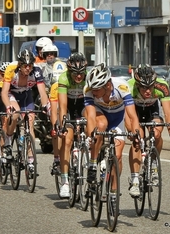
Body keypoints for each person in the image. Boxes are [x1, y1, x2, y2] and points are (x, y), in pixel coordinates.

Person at [84, 63, 141, 198]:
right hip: (100, 114)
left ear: (107, 85)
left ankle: (114, 191)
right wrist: (91, 135)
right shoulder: (88, 89)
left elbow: (132, 116)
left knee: (118, 155)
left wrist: (137, 134)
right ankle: (92, 164)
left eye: (97, 89)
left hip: (117, 118)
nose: (94, 92)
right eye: (92, 89)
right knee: (101, 125)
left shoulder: (122, 87)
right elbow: (91, 117)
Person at [125, 64, 170, 192]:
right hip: (135, 112)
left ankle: (154, 162)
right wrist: (131, 131)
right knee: (137, 140)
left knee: (156, 133)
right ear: (137, 85)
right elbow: (127, 116)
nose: (148, 91)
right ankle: (134, 179)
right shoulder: (128, 87)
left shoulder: (162, 86)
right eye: (144, 88)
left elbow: (168, 112)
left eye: (150, 87)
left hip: (152, 110)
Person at [1, 49, 49, 167]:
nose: (28, 68)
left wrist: (45, 106)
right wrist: (8, 106)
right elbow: (4, 92)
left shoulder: (36, 71)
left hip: (26, 95)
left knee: (30, 123)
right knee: (15, 114)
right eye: (25, 66)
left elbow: (42, 92)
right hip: (12, 94)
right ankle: (8, 138)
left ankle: (30, 159)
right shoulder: (11, 69)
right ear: (20, 65)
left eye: (30, 65)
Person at [57, 52, 88, 197]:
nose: (79, 76)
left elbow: (91, 104)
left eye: (81, 73)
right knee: (67, 140)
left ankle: (89, 148)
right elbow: (62, 105)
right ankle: (64, 181)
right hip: (68, 108)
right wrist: (63, 123)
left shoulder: (88, 78)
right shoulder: (64, 78)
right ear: (69, 71)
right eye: (75, 73)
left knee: (90, 120)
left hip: (82, 106)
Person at [40, 43, 67, 174]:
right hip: (48, 95)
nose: (50, 56)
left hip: (61, 93)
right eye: (47, 54)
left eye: (52, 53)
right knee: (56, 124)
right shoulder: (41, 67)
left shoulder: (64, 65)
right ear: (44, 56)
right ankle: (57, 158)